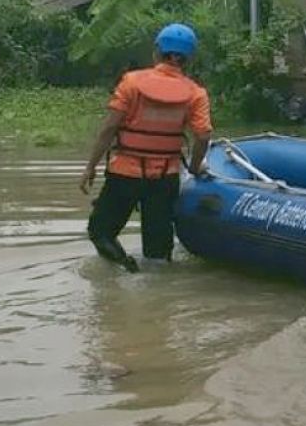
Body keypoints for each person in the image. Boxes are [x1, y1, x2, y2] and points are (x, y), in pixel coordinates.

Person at [79, 23, 212, 272]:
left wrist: (90, 167)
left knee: (100, 232)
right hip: (165, 179)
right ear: (188, 58)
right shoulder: (196, 94)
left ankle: (127, 269)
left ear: (157, 51)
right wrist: (194, 168)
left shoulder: (131, 82)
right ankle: (155, 297)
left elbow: (109, 129)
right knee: (157, 252)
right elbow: (203, 136)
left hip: (124, 175)